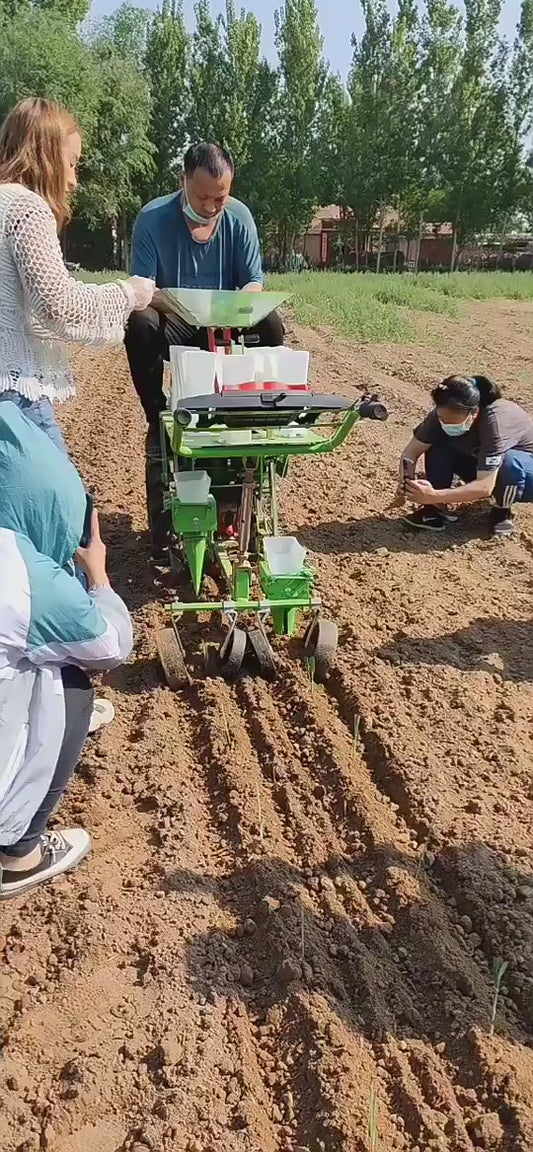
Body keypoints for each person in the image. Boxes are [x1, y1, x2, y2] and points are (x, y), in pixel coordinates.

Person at [125, 141, 285, 561]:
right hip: (175, 316)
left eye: (222, 195)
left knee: (270, 323)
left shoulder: (239, 217)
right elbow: (143, 289)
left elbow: (252, 282)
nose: (214, 205)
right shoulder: (153, 218)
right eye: (204, 197)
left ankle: (253, 405)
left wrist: (232, 310)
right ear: (183, 183)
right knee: (137, 321)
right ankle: (156, 411)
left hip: (225, 319)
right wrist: (184, 306)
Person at [0, 403, 133, 899]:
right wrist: (97, 574)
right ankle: (18, 853)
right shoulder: (18, 570)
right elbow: (110, 645)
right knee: (72, 683)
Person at [0, 97, 154, 452]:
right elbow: (58, 304)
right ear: (47, 157)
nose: (73, 180)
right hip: (15, 392)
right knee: (71, 507)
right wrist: (128, 294)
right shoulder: (26, 209)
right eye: (72, 163)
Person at [397, 374, 533, 538]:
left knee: (509, 462)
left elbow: (485, 486)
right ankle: (435, 508)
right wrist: (406, 482)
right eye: (442, 418)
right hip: (483, 463)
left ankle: (502, 510)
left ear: (474, 413)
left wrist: (431, 494)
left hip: (523, 475)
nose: (446, 423)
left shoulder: (495, 421)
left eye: (453, 420)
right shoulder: (442, 413)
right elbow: (411, 453)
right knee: (439, 441)